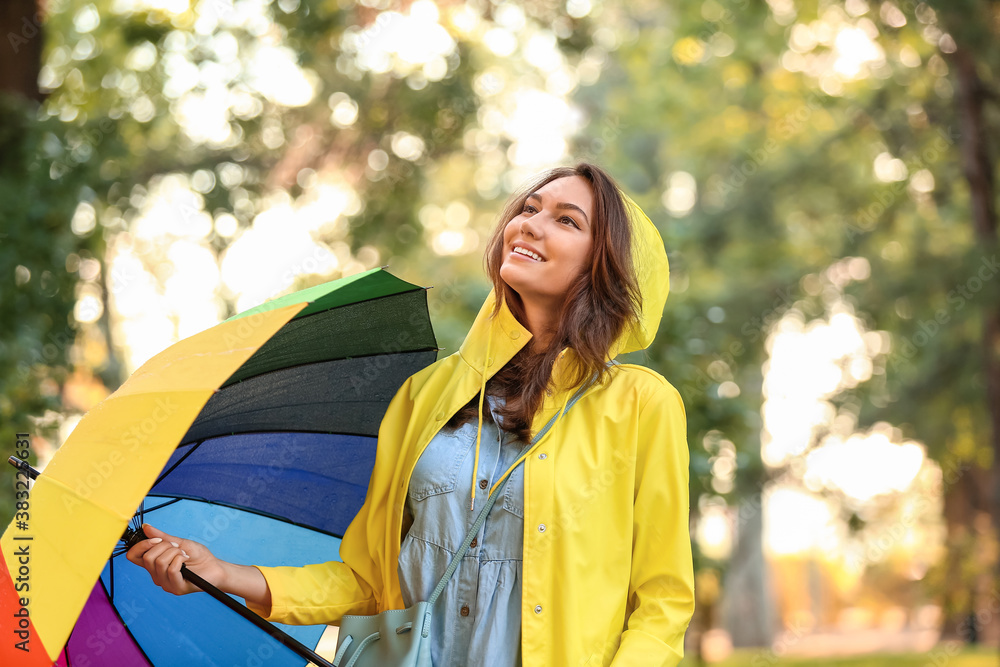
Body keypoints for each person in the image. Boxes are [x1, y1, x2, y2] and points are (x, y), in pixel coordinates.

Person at [127, 162, 695, 666]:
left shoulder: (641, 405)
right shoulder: (425, 395)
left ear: (606, 263)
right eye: (527, 209)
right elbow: (370, 580)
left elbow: (661, 603)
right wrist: (224, 575)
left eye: (567, 220)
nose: (530, 223)